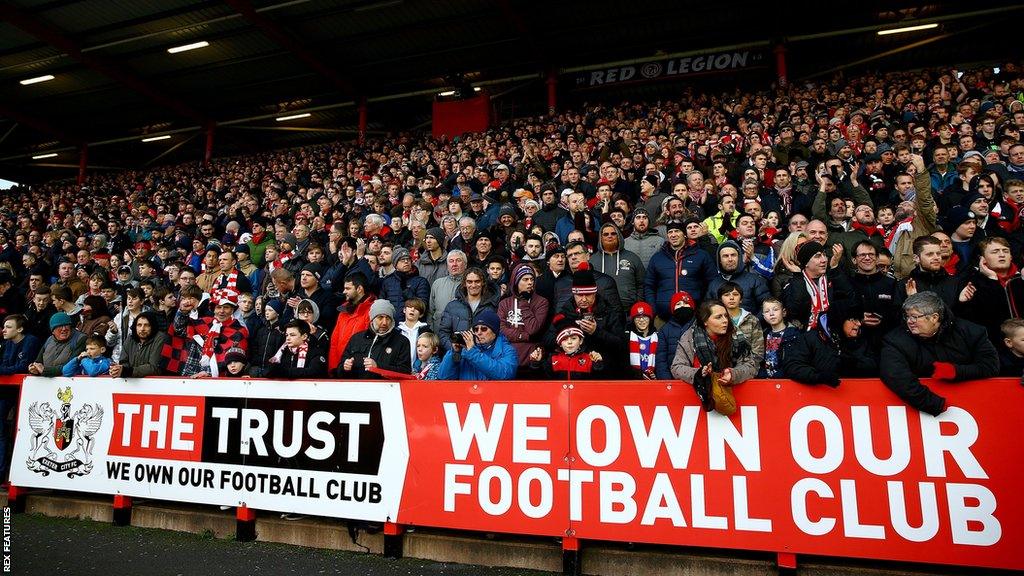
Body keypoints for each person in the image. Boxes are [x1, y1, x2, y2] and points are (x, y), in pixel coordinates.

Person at [880, 292, 998, 416]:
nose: (909, 321)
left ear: (934, 317)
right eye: (907, 316)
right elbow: (896, 376)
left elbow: (991, 365)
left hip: (975, 405)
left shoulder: (971, 332)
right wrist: (934, 404)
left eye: (914, 317)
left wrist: (956, 371)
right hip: (925, 410)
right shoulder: (894, 340)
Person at [671, 301, 758, 416]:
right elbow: (676, 367)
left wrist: (733, 374)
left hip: (735, 399)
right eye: (718, 317)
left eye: (726, 315)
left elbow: (751, 366)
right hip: (697, 404)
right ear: (705, 321)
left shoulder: (737, 336)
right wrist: (699, 373)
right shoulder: (689, 337)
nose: (725, 320)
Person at [782, 301, 879, 386]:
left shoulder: (862, 340)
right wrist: (818, 377)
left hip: (856, 399)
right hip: (818, 400)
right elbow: (792, 366)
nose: (858, 324)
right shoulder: (811, 338)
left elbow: (874, 365)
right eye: (853, 319)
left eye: (859, 320)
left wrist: (854, 364)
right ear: (840, 320)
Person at [644, 220, 716, 321]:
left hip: (695, 316)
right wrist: (654, 308)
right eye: (670, 232)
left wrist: (704, 307)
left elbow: (713, 282)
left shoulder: (701, 255)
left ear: (684, 234)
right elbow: (649, 286)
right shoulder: (657, 258)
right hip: (664, 317)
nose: (673, 235)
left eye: (677, 231)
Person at [336, 299, 410, 378]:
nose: (384, 322)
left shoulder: (401, 341)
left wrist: (378, 367)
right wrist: (345, 367)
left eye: (388, 318)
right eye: (380, 317)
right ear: (372, 319)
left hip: (387, 388)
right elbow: (339, 371)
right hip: (358, 388)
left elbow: (405, 372)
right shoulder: (356, 338)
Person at [438, 309, 517, 380]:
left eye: (484, 329)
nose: (479, 333)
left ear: (495, 332)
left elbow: (504, 374)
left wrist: (472, 353)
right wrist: (454, 353)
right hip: (467, 394)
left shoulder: (507, 350)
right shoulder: (465, 349)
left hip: (493, 394)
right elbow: (443, 377)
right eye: (475, 329)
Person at [498, 264, 549, 369]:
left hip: (531, 357)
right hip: (507, 355)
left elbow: (533, 329)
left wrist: (524, 304)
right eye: (525, 279)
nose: (530, 282)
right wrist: (523, 336)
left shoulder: (541, 302)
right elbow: (501, 329)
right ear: (516, 282)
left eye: (532, 279)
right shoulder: (504, 303)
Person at [438, 267, 500, 351]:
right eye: (469, 282)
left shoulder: (492, 306)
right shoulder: (452, 306)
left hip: (484, 356)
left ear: (483, 283)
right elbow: (443, 333)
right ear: (464, 283)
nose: (473, 285)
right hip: (458, 356)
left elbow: (497, 333)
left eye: (477, 281)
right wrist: (453, 348)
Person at [529, 314, 605, 380]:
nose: (569, 342)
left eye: (574, 338)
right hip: (559, 396)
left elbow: (598, 383)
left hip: (583, 395)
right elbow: (542, 380)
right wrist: (536, 364)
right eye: (564, 339)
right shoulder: (552, 359)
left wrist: (598, 365)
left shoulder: (589, 358)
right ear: (560, 343)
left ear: (581, 341)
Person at [327, 272, 375, 374]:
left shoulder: (372, 311)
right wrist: (334, 368)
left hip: (360, 371)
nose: (344, 291)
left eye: (348, 288)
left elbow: (371, 343)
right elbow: (334, 342)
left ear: (359, 289)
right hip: (341, 369)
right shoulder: (343, 312)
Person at [590, 222, 645, 311]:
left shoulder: (632, 257)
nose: (610, 236)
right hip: (603, 312)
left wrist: (637, 303)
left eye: (613, 233)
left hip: (629, 310)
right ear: (601, 238)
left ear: (618, 236)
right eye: (606, 234)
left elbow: (641, 284)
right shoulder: (592, 260)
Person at [707, 239, 771, 314]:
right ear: (719, 260)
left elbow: (768, 307)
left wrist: (753, 323)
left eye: (733, 255)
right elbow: (708, 310)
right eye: (725, 256)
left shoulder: (755, 280)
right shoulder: (713, 284)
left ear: (739, 257)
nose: (730, 259)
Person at [109, 311, 168, 379]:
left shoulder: (160, 339)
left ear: (152, 326)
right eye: (139, 325)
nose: (142, 329)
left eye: (146, 325)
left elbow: (154, 367)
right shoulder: (130, 339)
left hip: (155, 384)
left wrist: (128, 371)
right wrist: (118, 369)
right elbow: (123, 362)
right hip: (131, 382)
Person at [28, 312, 86, 377]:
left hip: (70, 383)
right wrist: (34, 369)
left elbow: (72, 365)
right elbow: (38, 362)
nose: (64, 329)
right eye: (60, 326)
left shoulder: (80, 339)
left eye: (66, 325)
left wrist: (45, 370)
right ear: (53, 331)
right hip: (47, 383)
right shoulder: (49, 340)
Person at [654, 292, 695, 380]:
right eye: (678, 304)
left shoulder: (700, 326)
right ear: (673, 308)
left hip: (696, 377)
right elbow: (661, 360)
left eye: (686, 303)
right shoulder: (664, 330)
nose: (682, 306)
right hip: (672, 380)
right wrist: (667, 381)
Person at [760, 299, 799, 378]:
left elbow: (794, 361)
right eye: (767, 311)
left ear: (784, 312)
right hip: (765, 381)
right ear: (763, 316)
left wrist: (778, 376)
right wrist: (762, 376)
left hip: (785, 380)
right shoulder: (763, 335)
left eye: (775, 310)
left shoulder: (794, 334)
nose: (771, 314)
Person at [397, 298, 430, 371]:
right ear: (404, 310)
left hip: (420, 372)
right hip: (400, 372)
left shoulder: (426, 331)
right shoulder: (396, 331)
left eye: (416, 308)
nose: (412, 309)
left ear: (421, 314)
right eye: (409, 307)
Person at [626, 302, 657, 379]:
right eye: (638, 317)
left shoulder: (658, 336)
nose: (642, 320)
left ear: (650, 319)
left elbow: (661, 360)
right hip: (633, 379)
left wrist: (657, 374)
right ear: (633, 320)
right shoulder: (626, 337)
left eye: (645, 317)